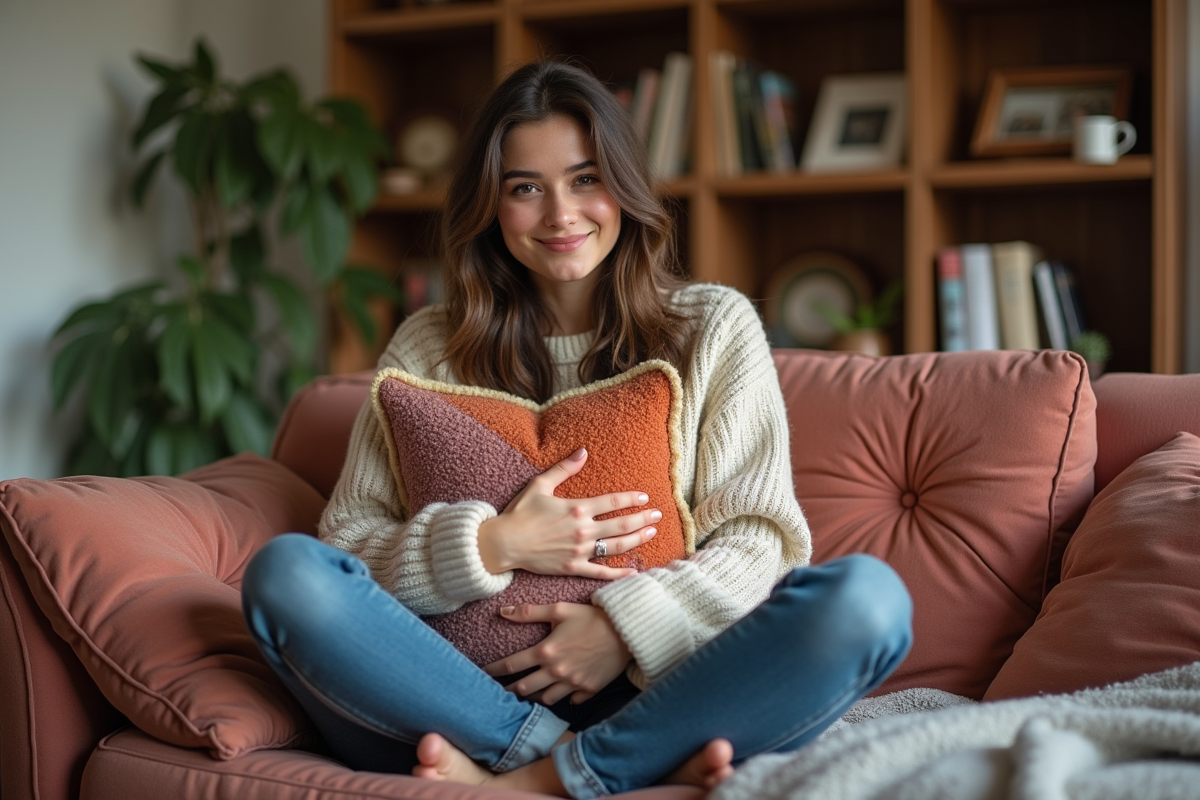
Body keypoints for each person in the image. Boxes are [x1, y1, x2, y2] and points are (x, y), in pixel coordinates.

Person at [241, 60, 913, 799]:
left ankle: (532, 782)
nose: (562, 214)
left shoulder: (712, 326)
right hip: (453, 698)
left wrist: (621, 630)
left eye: (587, 179)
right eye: (526, 188)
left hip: (660, 688)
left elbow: (761, 543)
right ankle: (569, 763)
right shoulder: (428, 346)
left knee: (868, 602)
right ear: (491, 207)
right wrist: (492, 543)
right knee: (288, 576)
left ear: (624, 186)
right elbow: (348, 544)